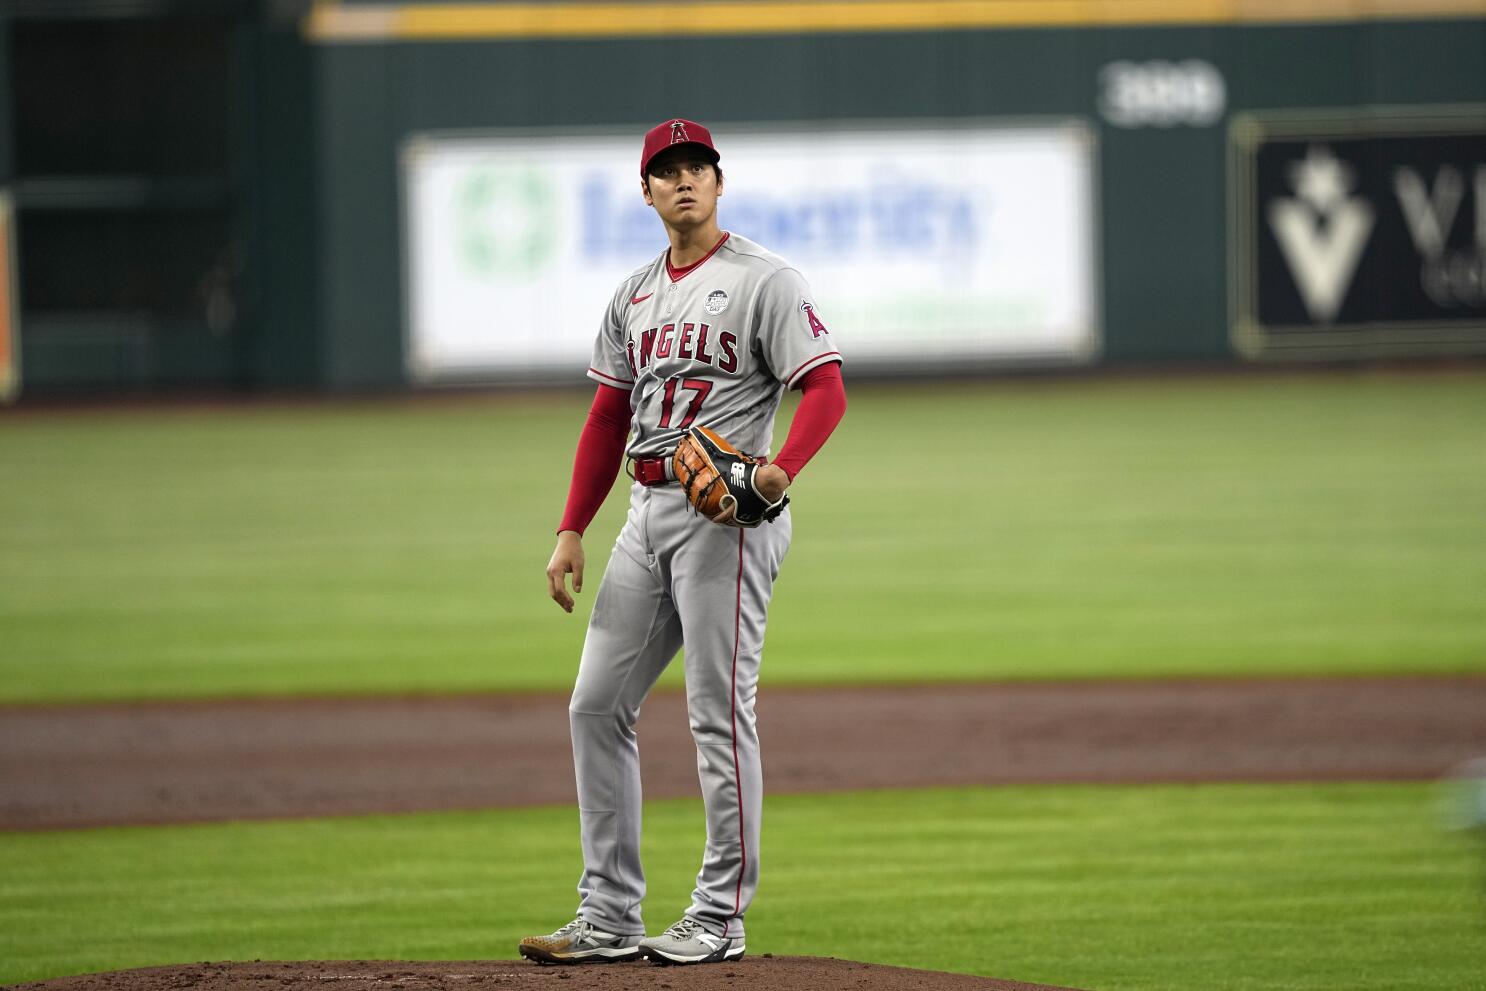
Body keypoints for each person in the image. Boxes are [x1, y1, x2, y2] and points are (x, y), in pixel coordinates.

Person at [518, 118, 847, 967]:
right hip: (645, 512)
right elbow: (604, 418)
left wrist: (777, 472)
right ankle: (609, 914)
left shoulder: (765, 280)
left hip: (727, 523)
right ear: (647, 192)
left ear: (718, 180)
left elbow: (825, 390)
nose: (683, 181)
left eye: (696, 166)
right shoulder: (632, 295)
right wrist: (569, 529)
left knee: (716, 714)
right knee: (595, 705)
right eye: (666, 171)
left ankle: (720, 913)